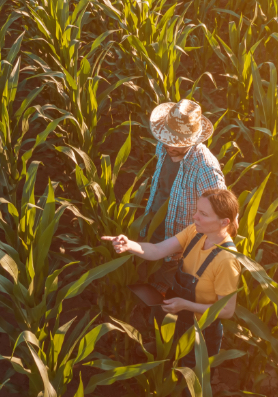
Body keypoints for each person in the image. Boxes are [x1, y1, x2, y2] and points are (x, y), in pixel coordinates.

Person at [103, 189, 241, 369]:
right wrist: (129, 244)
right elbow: (157, 250)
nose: (195, 217)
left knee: (190, 380)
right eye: (197, 210)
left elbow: (226, 311)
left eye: (203, 214)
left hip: (200, 333)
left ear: (224, 222)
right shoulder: (195, 232)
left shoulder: (226, 260)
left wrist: (185, 305)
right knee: (171, 367)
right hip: (177, 319)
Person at [142, 99, 226, 293]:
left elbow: (222, 215)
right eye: (168, 138)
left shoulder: (205, 168)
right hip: (153, 231)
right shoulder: (163, 147)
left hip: (177, 251)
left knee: (163, 294)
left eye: (177, 142)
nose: (169, 145)